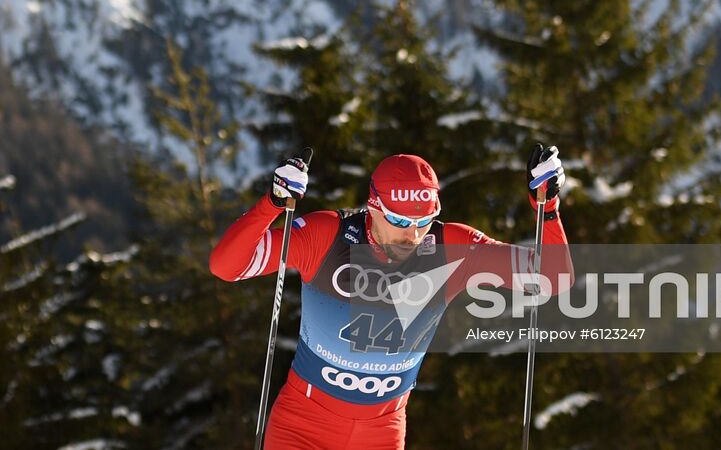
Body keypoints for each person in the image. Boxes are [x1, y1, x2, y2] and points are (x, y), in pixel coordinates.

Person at [210, 148, 571, 450]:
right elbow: (227, 266)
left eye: (425, 220)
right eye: (399, 220)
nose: (413, 235)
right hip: (303, 427)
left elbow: (553, 278)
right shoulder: (327, 235)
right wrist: (273, 203)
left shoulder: (451, 249)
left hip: (381, 433)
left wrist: (548, 208)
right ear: (374, 207)